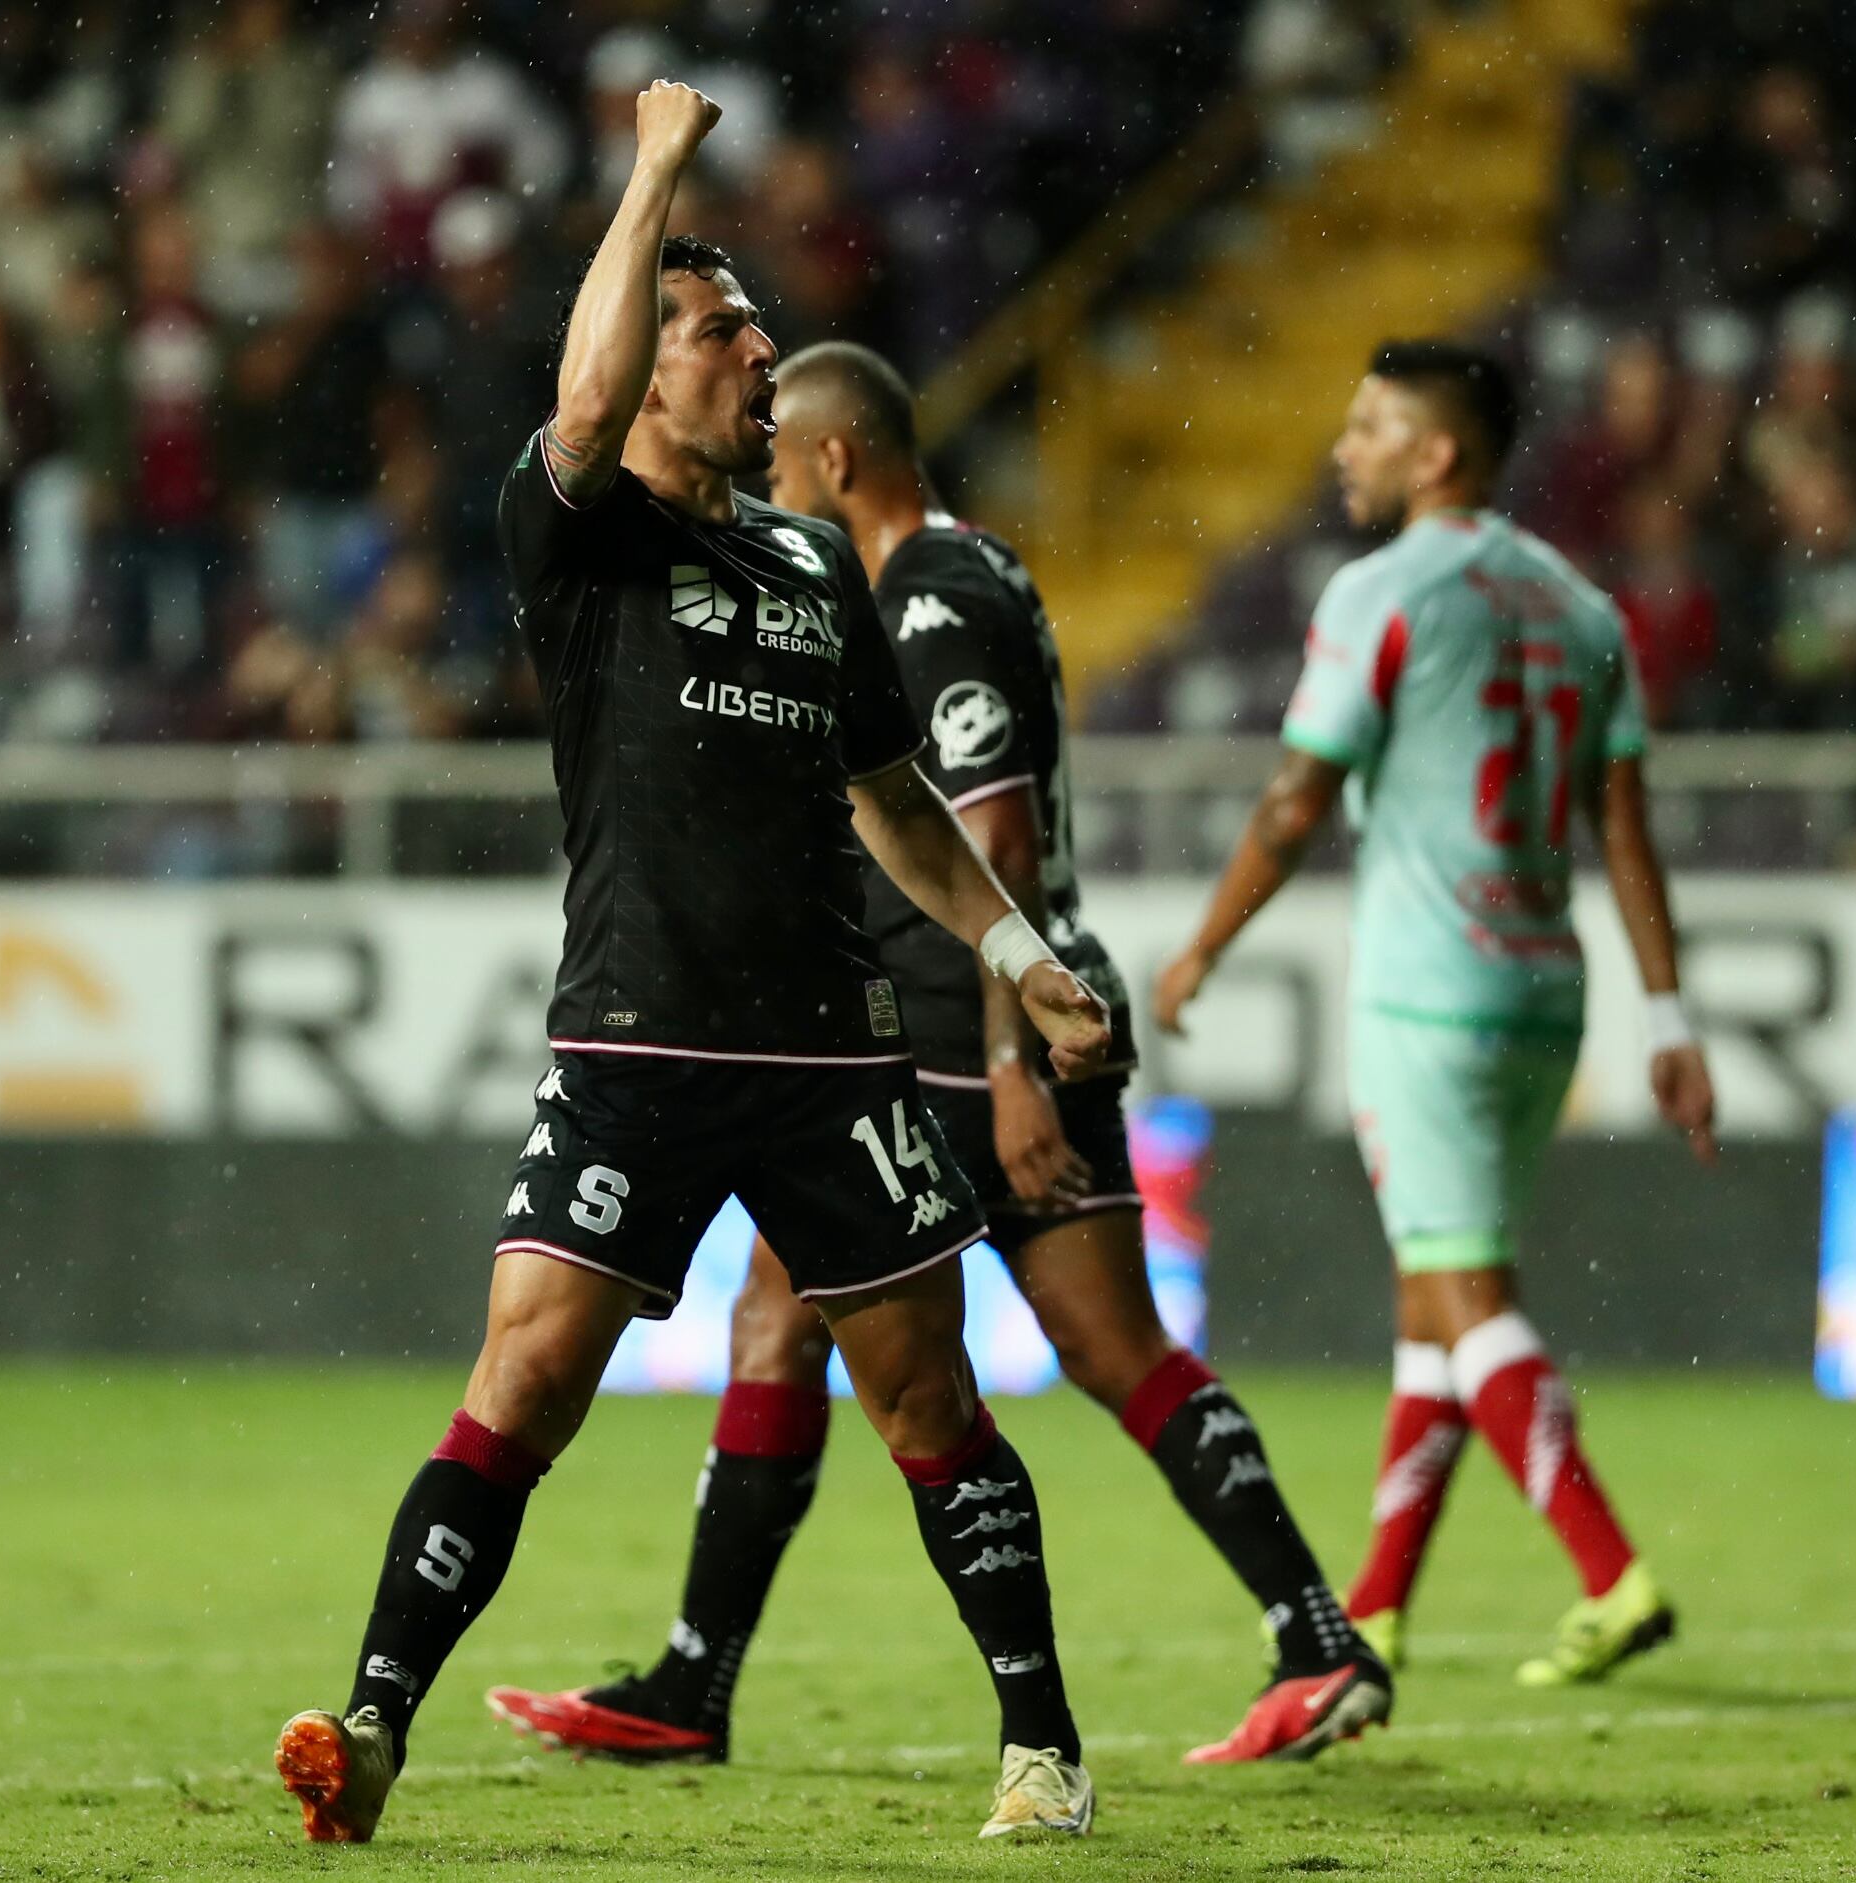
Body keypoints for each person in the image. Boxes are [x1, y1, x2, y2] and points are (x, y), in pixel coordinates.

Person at [273, 84, 1114, 1845]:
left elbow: (894, 802)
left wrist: (1021, 956)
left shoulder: (814, 562)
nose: (759, 355)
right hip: (635, 1049)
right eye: (722, 333)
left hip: (827, 1059)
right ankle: (369, 1725)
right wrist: (655, 169)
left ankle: (1041, 1746)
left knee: (928, 1403)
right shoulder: (574, 534)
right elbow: (577, 402)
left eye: (756, 329)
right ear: (645, 372)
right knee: (519, 1385)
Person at [483, 340, 1394, 1772]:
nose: (769, 486)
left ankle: (695, 1677)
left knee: (788, 1316)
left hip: (963, 1023)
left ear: (838, 466)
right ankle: (1313, 1632)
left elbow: (992, 821)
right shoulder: (987, 571)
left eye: (788, 467)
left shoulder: (926, 592)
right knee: (1110, 1346)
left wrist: (1011, 1045)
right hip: (1026, 1003)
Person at [1156, 341, 1717, 1689]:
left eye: (1368, 428)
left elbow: (1297, 798)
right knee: (1436, 1302)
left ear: (1437, 455)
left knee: (1467, 1298)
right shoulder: (1582, 604)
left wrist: (1200, 950)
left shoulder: (1381, 591)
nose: (1341, 450)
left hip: (1426, 993)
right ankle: (1378, 1609)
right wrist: (1669, 1014)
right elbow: (1623, 826)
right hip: (1544, 992)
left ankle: (1611, 1572)